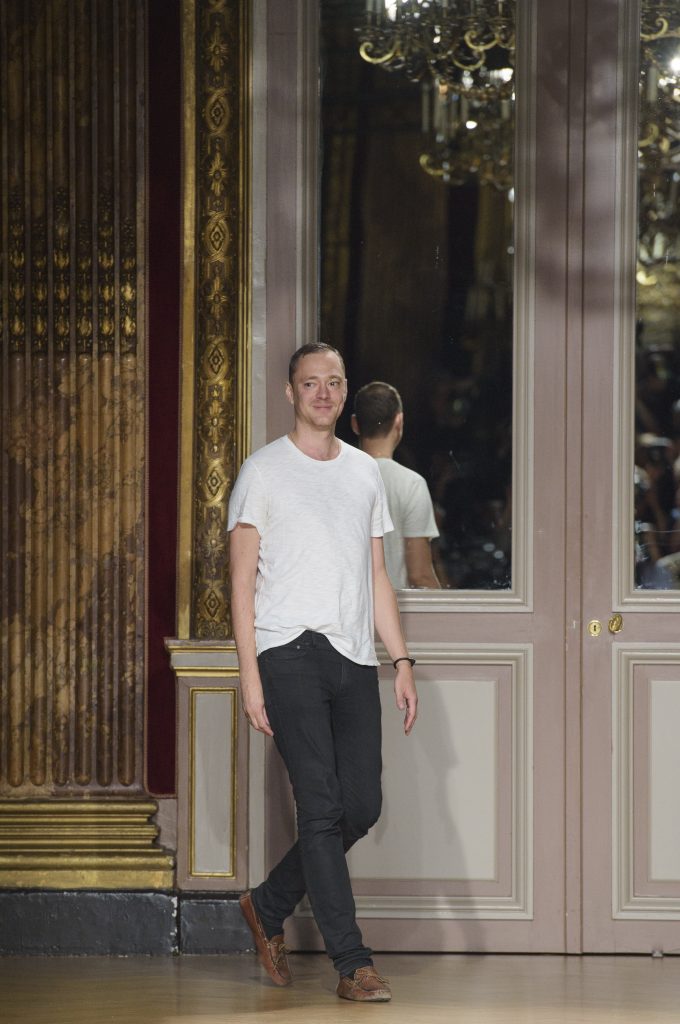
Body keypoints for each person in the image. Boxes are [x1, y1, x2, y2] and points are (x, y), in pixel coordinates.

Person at [228, 343, 418, 1003]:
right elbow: (241, 583)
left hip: (353, 656)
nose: (323, 393)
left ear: (344, 392)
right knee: (321, 805)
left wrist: (401, 660)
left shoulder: (364, 472)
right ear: (291, 393)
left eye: (333, 382)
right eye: (310, 383)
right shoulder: (263, 471)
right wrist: (250, 678)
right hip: (287, 653)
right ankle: (352, 963)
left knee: (360, 806)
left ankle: (267, 903)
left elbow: (377, 576)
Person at [352, 381, 441, 589]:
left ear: (355, 424)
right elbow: (420, 576)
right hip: (396, 607)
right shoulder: (411, 485)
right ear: (399, 421)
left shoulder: (336, 481)